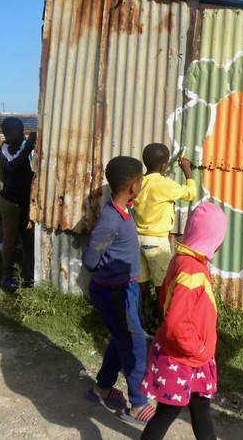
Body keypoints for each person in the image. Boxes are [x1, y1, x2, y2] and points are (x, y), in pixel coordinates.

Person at [140, 201, 228, 440]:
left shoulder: (183, 260)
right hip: (183, 357)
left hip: (190, 356)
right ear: (212, 239)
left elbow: (164, 301)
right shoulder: (192, 272)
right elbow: (176, 323)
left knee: (200, 409)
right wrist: (198, 348)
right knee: (167, 413)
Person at [82, 156, 156, 425]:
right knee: (133, 344)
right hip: (115, 292)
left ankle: (102, 388)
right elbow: (91, 259)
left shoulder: (123, 209)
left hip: (126, 287)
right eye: (141, 181)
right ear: (134, 187)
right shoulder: (110, 220)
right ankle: (137, 404)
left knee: (120, 337)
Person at [132, 143, 196, 329]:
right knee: (163, 289)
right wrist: (187, 172)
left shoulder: (139, 182)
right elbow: (190, 193)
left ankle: (136, 324)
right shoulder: (165, 185)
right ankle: (163, 329)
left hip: (138, 239)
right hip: (156, 242)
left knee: (141, 285)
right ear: (164, 166)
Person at [0, 117, 36, 289]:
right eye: (13, 133)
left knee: (28, 239)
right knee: (10, 240)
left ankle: (29, 275)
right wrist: (29, 146)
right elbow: (12, 164)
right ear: (5, 134)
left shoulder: (24, 146)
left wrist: (30, 146)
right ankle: (7, 276)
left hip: (25, 201)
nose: (18, 136)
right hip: (10, 202)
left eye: (20, 132)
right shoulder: (5, 149)